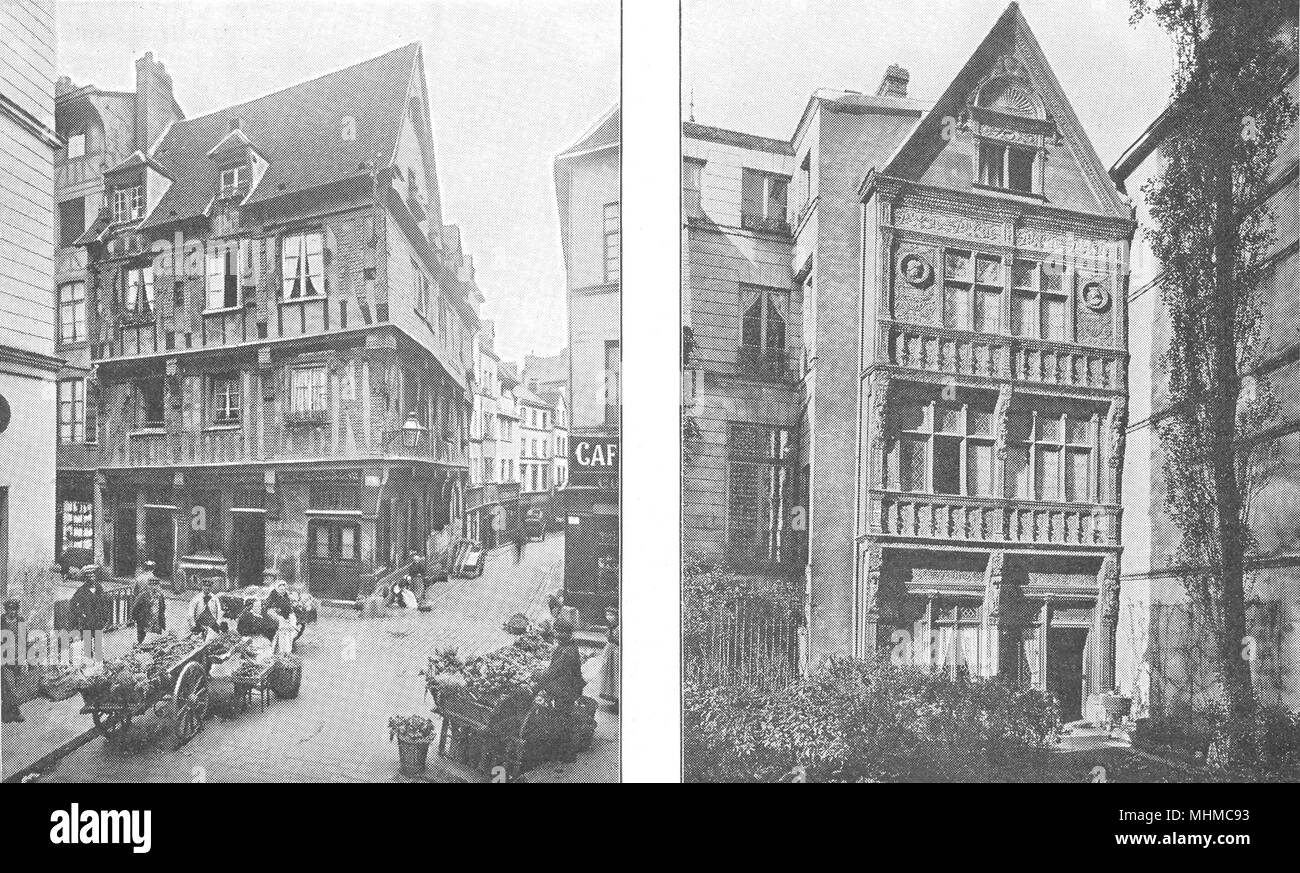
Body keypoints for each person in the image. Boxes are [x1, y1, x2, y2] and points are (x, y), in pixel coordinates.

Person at [530, 619, 586, 764]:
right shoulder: (567, 645)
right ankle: (563, 751)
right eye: (556, 631)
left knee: (563, 720)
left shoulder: (567, 651)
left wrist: (537, 684)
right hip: (567, 687)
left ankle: (566, 755)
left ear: (568, 633)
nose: (557, 634)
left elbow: (555, 671)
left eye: (560, 632)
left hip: (566, 690)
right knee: (562, 718)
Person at [68, 565, 109, 658]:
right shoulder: (81, 590)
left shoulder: (99, 588)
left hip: (98, 620)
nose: (91, 578)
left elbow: (105, 603)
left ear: (95, 576)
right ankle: (88, 664)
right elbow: (72, 604)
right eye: (88, 576)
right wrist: (81, 614)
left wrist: (105, 616)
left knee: (98, 645)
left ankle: (98, 666)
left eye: (93, 575)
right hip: (87, 621)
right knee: (87, 645)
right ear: (85, 578)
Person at [2, 599, 25, 723]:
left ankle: (12, 711)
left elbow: (23, 639)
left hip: (17, 658)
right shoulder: (1, 621)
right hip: (5, 658)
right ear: (6, 610)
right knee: (9, 687)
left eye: (15, 609)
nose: (13, 612)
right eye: (10, 609)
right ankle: (12, 713)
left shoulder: (21, 620)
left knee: (16, 685)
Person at [262, 576, 296, 655]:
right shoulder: (273, 594)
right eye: (281, 589)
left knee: (290, 625)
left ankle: (287, 649)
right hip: (273, 613)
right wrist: (276, 611)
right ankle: (279, 650)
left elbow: (288, 607)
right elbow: (268, 606)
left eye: (284, 589)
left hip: (283, 616)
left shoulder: (286, 596)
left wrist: (287, 616)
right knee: (281, 628)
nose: (282, 591)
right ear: (277, 589)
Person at [597, 607, 619, 714]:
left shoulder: (619, 628)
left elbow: (616, 640)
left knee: (616, 674)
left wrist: (613, 638)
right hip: (611, 653)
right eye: (607, 614)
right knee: (611, 675)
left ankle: (619, 700)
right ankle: (615, 698)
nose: (609, 617)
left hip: (617, 653)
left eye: (612, 614)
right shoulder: (612, 627)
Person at [131, 577, 166, 644]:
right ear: (148, 586)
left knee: (155, 641)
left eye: (156, 585)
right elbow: (135, 608)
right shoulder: (143, 595)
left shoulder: (160, 595)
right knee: (142, 640)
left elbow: (163, 608)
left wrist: (161, 619)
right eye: (152, 585)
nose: (154, 587)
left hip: (156, 622)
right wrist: (137, 619)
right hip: (145, 621)